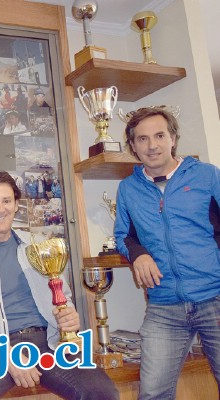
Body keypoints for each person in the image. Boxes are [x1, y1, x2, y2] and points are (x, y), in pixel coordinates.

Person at [0, 171, 119, 400]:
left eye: (6, 201)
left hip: (47, 342)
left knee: (103, 393)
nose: (0, 209)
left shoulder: (39, 247)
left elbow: (62, 298)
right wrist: (5, 355)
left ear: (16, 205)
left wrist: (68, 317)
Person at [114, 107, 220, 399]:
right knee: (153, 394)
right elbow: (124, 235)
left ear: (173, 138)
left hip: (214, 298)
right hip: (164, 308)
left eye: (160, 135)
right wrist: (138, 255)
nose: (153, 145)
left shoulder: (207, 176)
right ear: (133, 146)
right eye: (143, 139)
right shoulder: (128, 189)